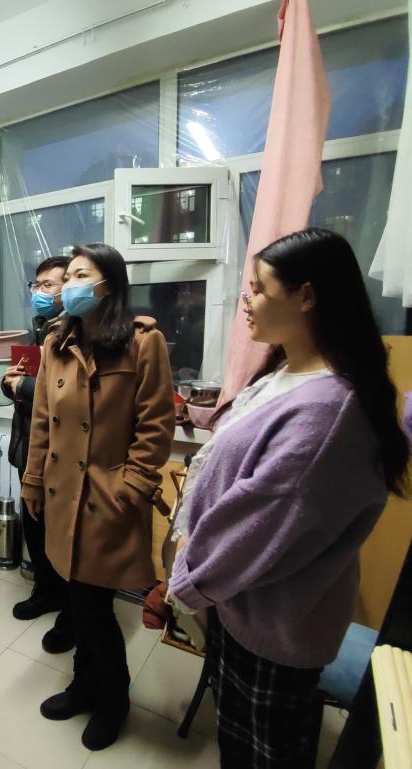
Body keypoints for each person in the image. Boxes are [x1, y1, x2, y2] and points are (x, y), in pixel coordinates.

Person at [168, 228, 408, 768]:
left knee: (262, 756)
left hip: (273, 625)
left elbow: (260, 523)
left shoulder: (328, 413)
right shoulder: (289, 370)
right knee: (237, 743)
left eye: (258, 289)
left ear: (306, 296)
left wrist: (186, 582)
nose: (246, 300)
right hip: (240, 606)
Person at [21, 243, 175, 750]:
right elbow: (42, 422)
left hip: (108, 498)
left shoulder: (142, 343)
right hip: (62, 495)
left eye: (81, 275)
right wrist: (33, 480)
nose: (69, 285)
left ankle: (112, 698)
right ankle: (84, 686)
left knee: (93, 609)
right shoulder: (56, 344)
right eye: (67, 277)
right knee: (78, 602)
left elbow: (156, 426)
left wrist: (132, 486)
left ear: (109, 285)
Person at [1, 255, 75, 652]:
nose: (39, 292)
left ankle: (69, 606)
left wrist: (24, 387)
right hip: (27, 445)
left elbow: (64, 395)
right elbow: (25, 385)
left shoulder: (75, 332)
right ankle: (45, 592)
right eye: (37, 285)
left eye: (49, 285)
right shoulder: (40, 329)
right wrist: (9, 384)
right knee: (34, 525)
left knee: (62, 531)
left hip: (59, 453)